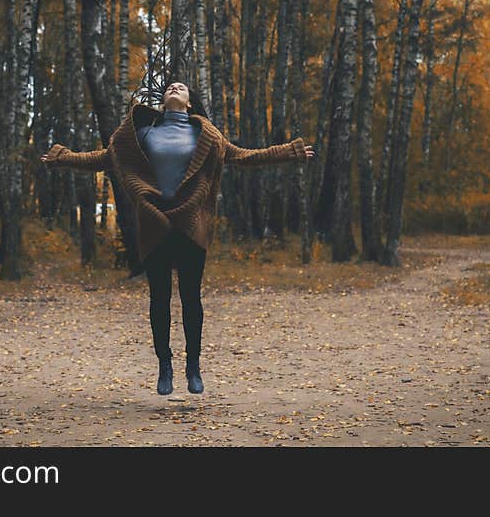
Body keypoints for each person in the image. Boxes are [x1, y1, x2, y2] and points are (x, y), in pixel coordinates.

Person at [40, 83, 314, 395]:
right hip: (154, 223)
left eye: (181, 87)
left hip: (190, 223)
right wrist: (62, 157)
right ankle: (164, 365)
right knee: (158, 300)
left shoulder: (207, 135)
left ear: (189, 102)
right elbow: (103, 159)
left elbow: (243, 156)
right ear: (163, 100)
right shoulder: (142, 134)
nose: (175, 88)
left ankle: (193, 366)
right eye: (171, 87)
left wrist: (288, 152)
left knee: (191, 298)